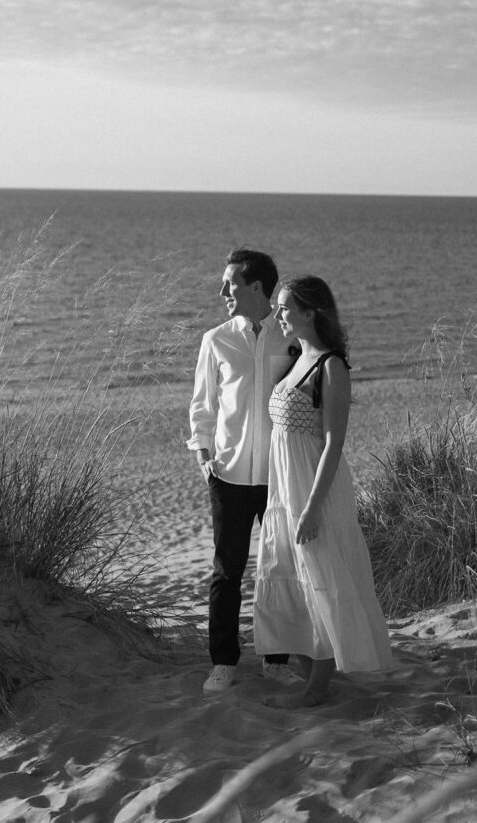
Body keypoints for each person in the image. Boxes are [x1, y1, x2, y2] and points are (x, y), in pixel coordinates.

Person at [253, 275, 393, 708]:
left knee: (321, 577)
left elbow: (334, 441)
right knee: (283, 576)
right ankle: (310, 672)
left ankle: (317, 688)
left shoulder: (330, 366)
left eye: (285, 308)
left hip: (314, 488)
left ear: (310, 313)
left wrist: (312, 507)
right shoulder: (295, 357)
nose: (278, 314)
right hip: (282, 490)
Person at [188, 247, 300, 695]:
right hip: (229, 475)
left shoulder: (291, 339)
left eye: (230, 283)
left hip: (279, 476)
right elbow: (203, 405)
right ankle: (224, 664)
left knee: (279, 569)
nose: (222, 291)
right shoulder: (216, 339)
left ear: (256, 287)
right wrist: (203, 457)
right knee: (226, 572)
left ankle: (276, 660)